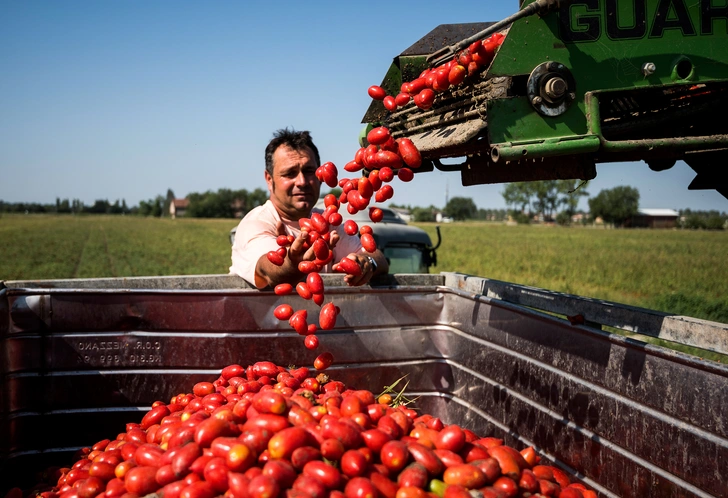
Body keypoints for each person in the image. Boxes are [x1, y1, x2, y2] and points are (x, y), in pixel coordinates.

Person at [230, 128, 388, 289]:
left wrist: (367, 263)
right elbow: (269, 271)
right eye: (289, 173)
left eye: (309, 171)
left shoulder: (327, 222)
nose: (302, 181)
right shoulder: (257, 223)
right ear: (269, 180)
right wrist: (291, 263)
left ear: (320, 176)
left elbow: (377, 257)